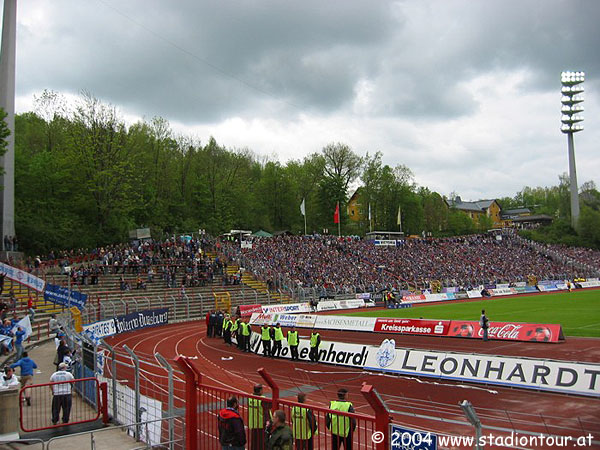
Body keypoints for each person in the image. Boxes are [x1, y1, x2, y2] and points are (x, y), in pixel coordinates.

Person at [248, 384, 271, 450]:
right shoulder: (262, 399)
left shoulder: (250, 397)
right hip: (261, 424)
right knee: (261, 444)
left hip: (252, 423)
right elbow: (268, 409)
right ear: (260, 390)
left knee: (254, 443)